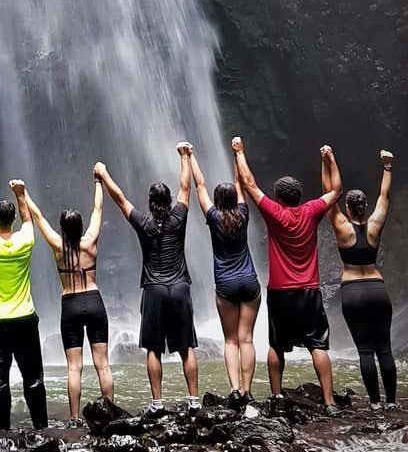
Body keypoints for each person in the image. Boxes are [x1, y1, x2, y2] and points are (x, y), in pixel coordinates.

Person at [232, 136, 343, 416]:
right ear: (299, 196)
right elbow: (336, 191)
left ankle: (276, 395)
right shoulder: (311, 211)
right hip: (308, 289)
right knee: (318, 345)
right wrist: (328, 160)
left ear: (279, 197)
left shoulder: (274, 213)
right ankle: (329, 402)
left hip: (280, 290)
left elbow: (249, 184)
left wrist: (240, 152)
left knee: (276, 345)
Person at [95, 142, 200, 419]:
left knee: (153, 348)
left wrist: (103, 175)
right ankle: (193, 399)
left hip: (154, 290)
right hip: (179, 287)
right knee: (186, 346)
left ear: (152, 204)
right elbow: (186, 188)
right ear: (168, 202)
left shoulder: (144, 223)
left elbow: (119, 198)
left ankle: (157, 402)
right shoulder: (179, 217)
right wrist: (184, 157)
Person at [25, 176, 114, 426]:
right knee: (103, 364)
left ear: (63, 229)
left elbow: (39, 217)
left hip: (71, 304)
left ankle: (75, 418)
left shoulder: (58, 247)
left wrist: (22, 194)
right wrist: (98, 180)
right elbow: (98, 208)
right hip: (94, 301)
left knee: (74, 367)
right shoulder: (90, 242)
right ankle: (109, 413)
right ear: (80, 226)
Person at [322, 147, 397, 410]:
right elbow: (385, 196)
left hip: (353, 291)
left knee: (365, 350)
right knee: (384, 349)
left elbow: (330, 195)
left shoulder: (342, 227)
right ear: (365, 207)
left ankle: (375, 403)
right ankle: (391, 402)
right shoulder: (375, 224)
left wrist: (327, 161)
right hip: (377, 289)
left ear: (348, 208)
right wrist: (387, 167)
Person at [188, 144, 260, 411]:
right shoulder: (243, 214)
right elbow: (241, 183)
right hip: (249, 281)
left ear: (217, 202)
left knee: (230, 340)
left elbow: (200, 185)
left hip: (226, 284)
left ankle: (234, 390)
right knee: (247, 339)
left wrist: (191, 156)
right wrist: (237, 154)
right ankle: (248, 391)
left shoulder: (214, 218)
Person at [0, 179, 47, 430]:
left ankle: (1, 431)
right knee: (33, 377)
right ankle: (41, 426)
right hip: (25, 318)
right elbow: (29, 220)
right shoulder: (25, 240)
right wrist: (21, 193)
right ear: (12, 219)